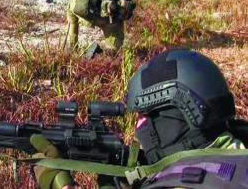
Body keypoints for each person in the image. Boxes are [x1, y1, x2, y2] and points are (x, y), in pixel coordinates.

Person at [30, 49, 247, 189]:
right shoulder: (237, 150)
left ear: (182, 111)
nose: (138, 125)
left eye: (144, 115)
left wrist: (61, 183)